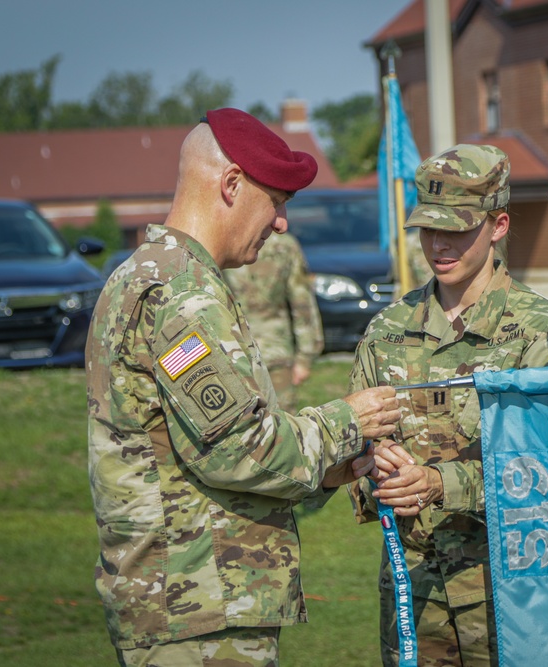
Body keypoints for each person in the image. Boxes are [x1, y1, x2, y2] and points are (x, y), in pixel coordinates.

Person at [85, 108, 401, 667]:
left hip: (192, 601)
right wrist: (349, 421)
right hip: (195, 610)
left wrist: (323, 471)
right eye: (276, 202)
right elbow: (239, 448)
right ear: (231, 184)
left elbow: (194, 450)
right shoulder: (178, 293)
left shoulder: (157, 275)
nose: (282, 223)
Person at [348, 144, 548, 666]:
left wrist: (437, 484)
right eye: (429, 229)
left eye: (456, 229)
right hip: (413, 598)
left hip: (510, 597)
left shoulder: (541, 332)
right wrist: (372, 475)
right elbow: (354, 454)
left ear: (498, 225)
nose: (438, 245)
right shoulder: (386, 333)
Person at [226, 229, 323, 412]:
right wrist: (306, 355)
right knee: (281, 425)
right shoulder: (284, 245)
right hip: (275, 349)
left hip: (235, 350)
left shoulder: (225, 241)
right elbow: (302, 303)